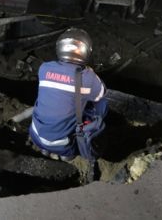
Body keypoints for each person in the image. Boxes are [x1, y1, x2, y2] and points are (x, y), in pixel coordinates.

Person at [29, 28, 108, 163]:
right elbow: (102, 93)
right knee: (101, 103)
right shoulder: (88, 78)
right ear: (86, 51)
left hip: (35, 134)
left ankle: (45, 149)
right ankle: (68, 157)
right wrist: (90, 72)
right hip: (63, 145)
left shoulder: (44, 68)